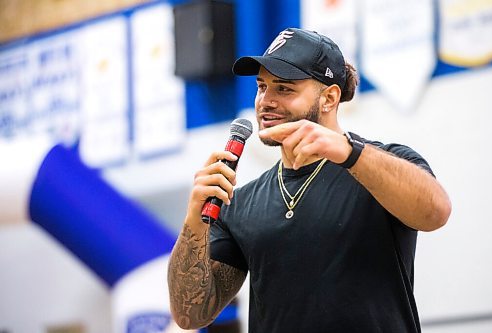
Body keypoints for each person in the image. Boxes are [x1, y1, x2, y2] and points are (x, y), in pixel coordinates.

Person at [167, 27, 451, 332]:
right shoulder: (239, 203)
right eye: (261, 87)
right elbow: (190, 315)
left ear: (329, 98)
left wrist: (348, 151)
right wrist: (193, 223)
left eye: (284, 89)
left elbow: (436, 212)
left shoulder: (384, 164)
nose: (265, 101)